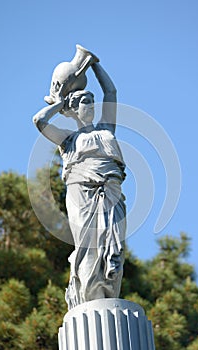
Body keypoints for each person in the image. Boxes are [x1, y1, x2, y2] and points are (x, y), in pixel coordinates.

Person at [33, 61, 126, 309]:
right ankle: (87, 298)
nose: (91, 106)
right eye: (85, 102)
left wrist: (94, 64)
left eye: (91, 102)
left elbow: (111, 93)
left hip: (111, 192)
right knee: (88, 246)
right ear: (73, 109)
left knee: (113, 250)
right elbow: (39, 120)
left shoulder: (107, 129)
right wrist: (60, 103)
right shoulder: (68, 139)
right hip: (81, 193)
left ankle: (108, 295)